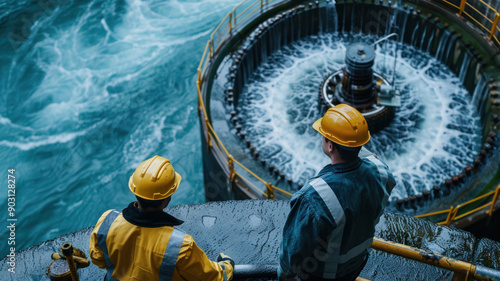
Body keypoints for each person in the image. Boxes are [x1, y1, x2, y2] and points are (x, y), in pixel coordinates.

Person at [278, 104, 396, 281]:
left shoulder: (314, 197)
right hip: (356, 265)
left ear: (330, 146)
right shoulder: (382, 173)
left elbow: (293, 253)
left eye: (324, 136)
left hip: (326, 276)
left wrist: (283, 276)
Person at [89, 155, 234, 281]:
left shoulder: (107, 221)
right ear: (166, 200)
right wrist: (227, 265)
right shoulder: (180, 245)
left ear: (135, 191)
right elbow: (212, 277)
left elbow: (98, 259)